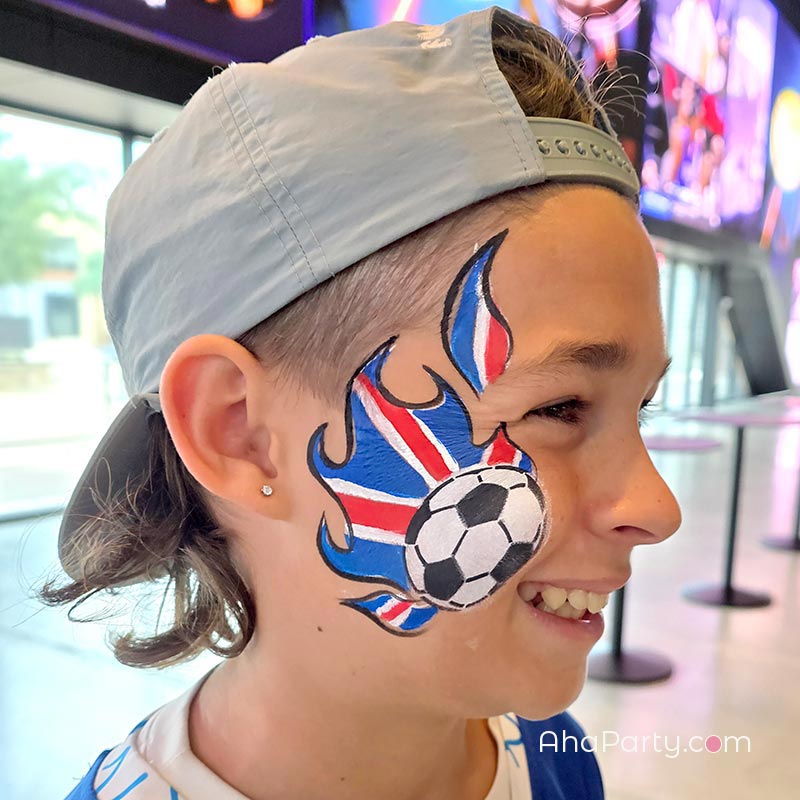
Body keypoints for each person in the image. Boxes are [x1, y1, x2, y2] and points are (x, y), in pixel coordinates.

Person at [46, 6, 681, 799]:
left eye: (642, 407)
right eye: (557, 408)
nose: (658, 508)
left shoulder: (547, 751)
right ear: (238, 432)